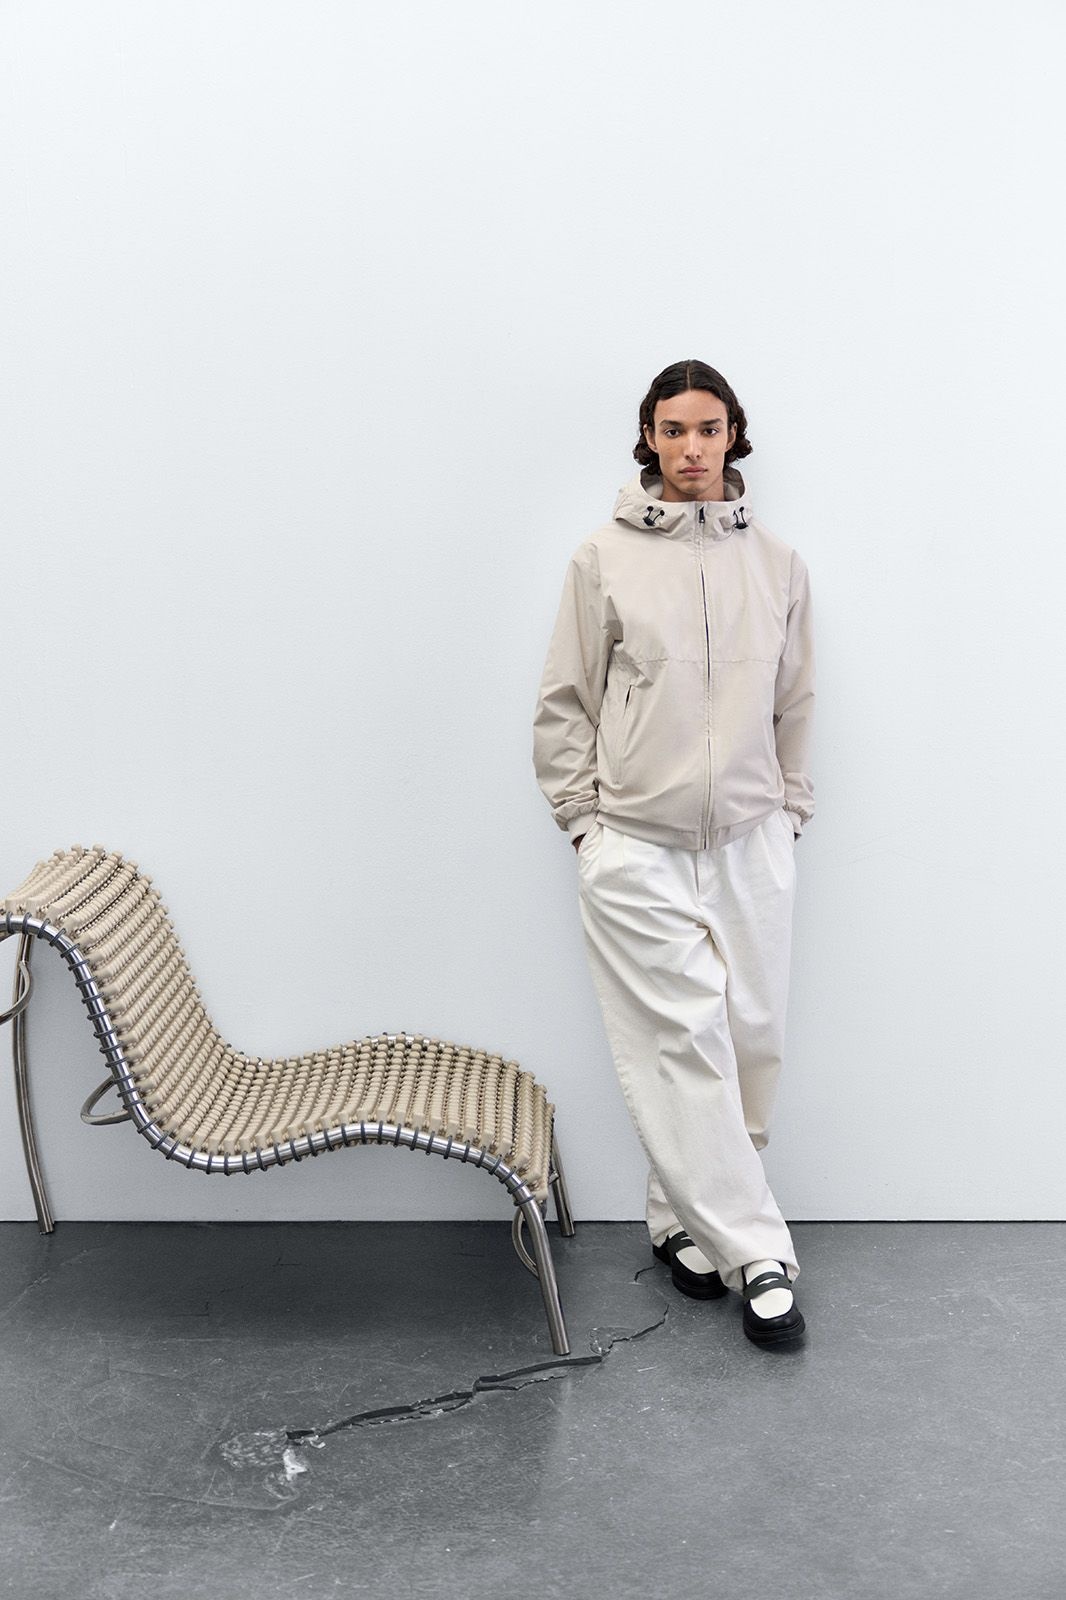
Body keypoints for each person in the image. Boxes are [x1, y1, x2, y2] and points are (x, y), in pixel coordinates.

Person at [532, 358, 815, 1348]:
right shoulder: (602, 558)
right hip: (637, 846)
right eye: (671, 429)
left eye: (707, 428)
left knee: (749, 1042)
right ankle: (759, 1254)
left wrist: (789, 809)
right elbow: (565, 698)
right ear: (648, 439)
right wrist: (584, 821)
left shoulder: (777, 564)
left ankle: (679, 1222)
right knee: (685, 1044)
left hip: (751, 839)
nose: (690, 448)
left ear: (733, 434)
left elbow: (795, 700)